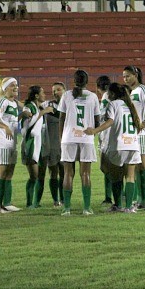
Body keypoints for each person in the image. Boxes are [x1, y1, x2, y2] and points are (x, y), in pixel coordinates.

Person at [84, 83, 142, 213]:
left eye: (109, 93)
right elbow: (138, 125)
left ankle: (118, 205)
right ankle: (129, 207)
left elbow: (110, 122)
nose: (107, 95)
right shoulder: (130, 105)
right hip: (133, 144)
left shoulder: (113, 104)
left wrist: (94, 131)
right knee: (130, 177)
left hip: (118, 145)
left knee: (116, 177)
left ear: (113, 94)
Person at [57, 70, 101, 216]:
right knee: (85, 174)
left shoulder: (66, 95)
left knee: (68, 174)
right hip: (86, 138)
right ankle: (87, 208)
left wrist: (60, 137)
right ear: (87, 81)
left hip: (68, 137)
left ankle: (66, 208)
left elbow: (61, 119)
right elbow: (97, 121)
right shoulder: (93, 97)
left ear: (74, 81)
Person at [123, 66, 145, 210]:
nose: (125, 79)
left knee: (143, 165)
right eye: (124, 77)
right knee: (134, 166)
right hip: (132, 133)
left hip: (143, 132)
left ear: (135, 75)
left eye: (128, 76)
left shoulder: (143, 89)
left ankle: (144, 200)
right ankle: (137, 199)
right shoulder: (128, 92)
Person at [0, 77, 23, 214]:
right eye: (12, 85)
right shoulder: (1, 102)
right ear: (5, 88)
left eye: (16, 85)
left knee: (9, 173)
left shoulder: (14, 103)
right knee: (2, 173)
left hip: (12, 143)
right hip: (3, 143)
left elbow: (13, 121)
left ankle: (7, 203)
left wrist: (23, 116)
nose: (16, 87)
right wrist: (5, 127)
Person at [20, 86, 54, 208]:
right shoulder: (29, 107)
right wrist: (43, 112)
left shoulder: (39, 106)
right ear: (36, 95)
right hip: (31, 144)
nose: (44, 94)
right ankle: (29, 203)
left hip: (41, 144)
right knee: (33, 176)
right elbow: (26, 127)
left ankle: (36, 203)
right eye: (42, 92)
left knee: (41, 175)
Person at [39, 82, 66, 207]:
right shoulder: (47, 105)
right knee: (53, 172)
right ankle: (56, 200)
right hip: (52, 145)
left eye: (58, 90)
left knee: (65, 173)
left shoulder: (69, 105)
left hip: (66, 145)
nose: (55, 92)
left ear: (65, 91)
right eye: (54, 90)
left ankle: (64, 198)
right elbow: (34, 107)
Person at [96, 75, 113, 206]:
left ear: (97, 88)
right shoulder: (110, 97)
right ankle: (111, 196)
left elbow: (105, 118)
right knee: (109, 167)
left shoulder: (106, 98)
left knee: (106, 167)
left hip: (107, 136)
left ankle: (109, 197)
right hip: (108, 135)